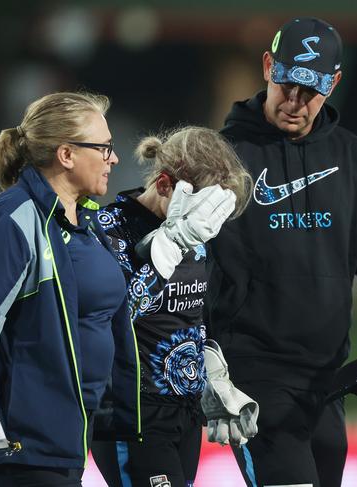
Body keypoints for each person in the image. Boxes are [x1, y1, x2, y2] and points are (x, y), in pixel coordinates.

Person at [205, 17, 357, 487]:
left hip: (327, 380)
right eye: (286, 85)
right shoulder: (221, 155)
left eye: (310, 91)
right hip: (250, 380)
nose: (294, 103)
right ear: (267, 66)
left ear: (333, 84)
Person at [0, 91, 140, 487]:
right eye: (104, 147)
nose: (114, 158)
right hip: (29, 440)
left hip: (73, 433)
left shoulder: (87, 221)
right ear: (66, 155)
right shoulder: (13, 218)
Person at [91, 126, 253, 487]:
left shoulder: (197, 234)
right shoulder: (106, 230)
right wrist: (171, 245)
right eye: (204, 206)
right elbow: (112, 318)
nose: (208, 221)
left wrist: (212, 372)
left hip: (185, 414)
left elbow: (192, 314)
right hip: (130, 413)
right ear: (165, 184)